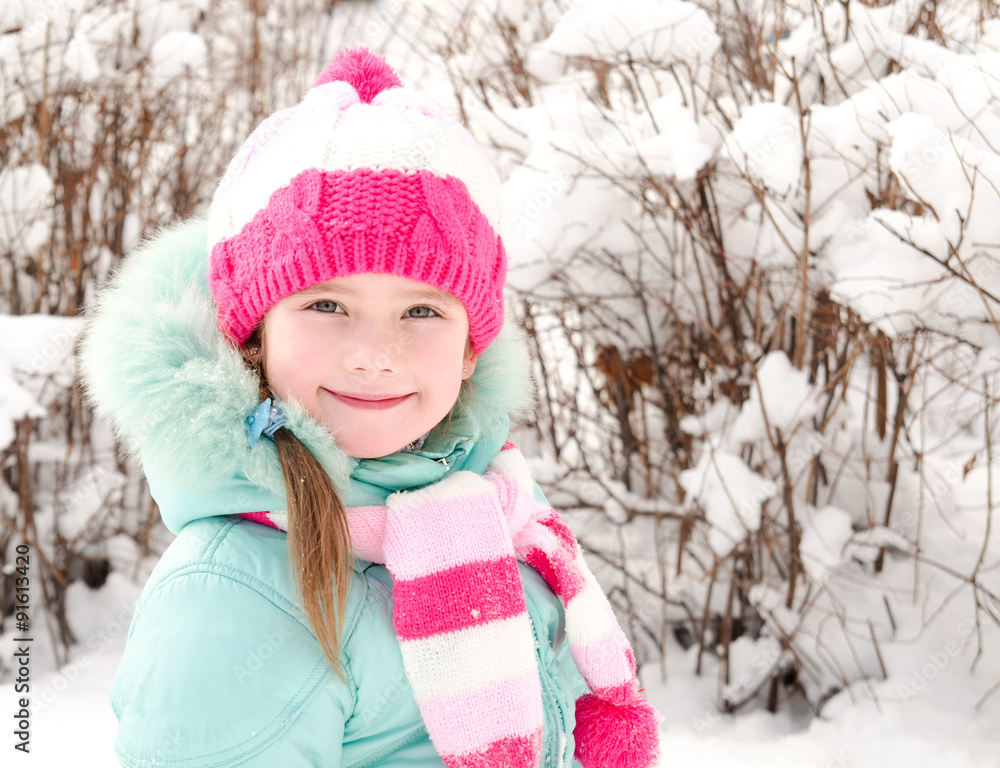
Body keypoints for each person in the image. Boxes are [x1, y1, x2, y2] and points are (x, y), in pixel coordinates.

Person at [79, 47, 660, 768]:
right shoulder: (232, 594)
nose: (375, 353)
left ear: (472, 348)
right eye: (327, 304)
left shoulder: (485, 502)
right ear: (253, 334)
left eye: (421, 310)